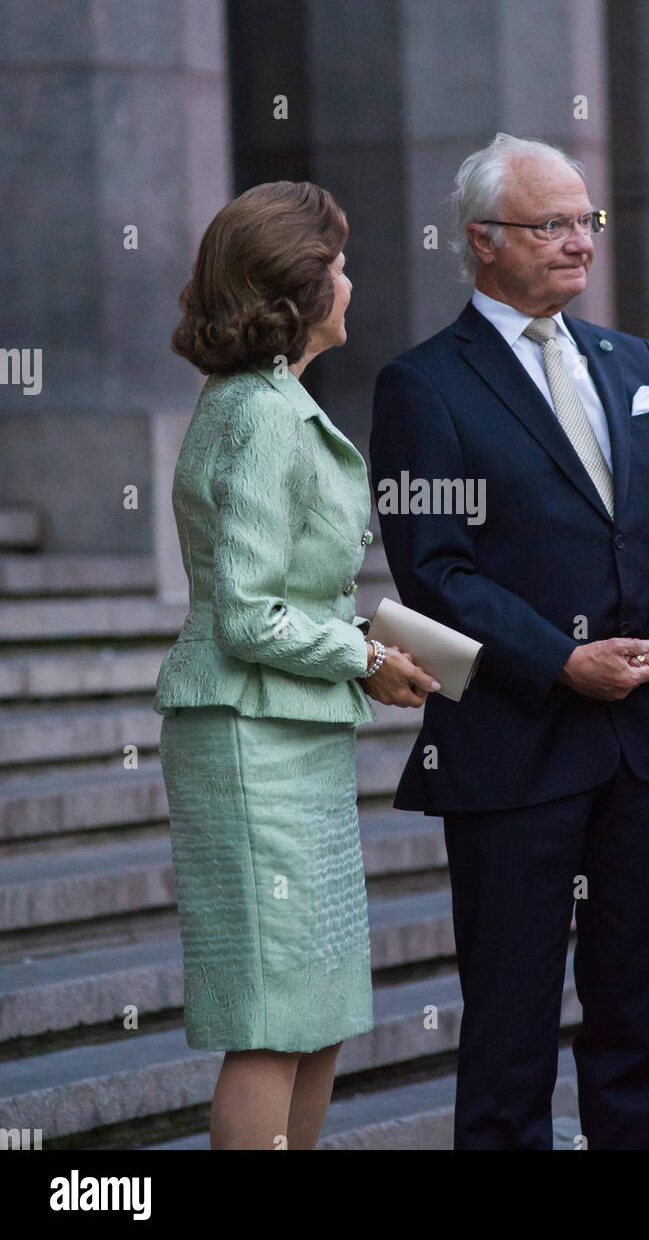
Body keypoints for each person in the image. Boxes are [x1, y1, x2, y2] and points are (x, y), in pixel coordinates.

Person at [369, 132, 649, 1150]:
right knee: (510, 1040)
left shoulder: (635, 362)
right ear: (483, 241)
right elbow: (432, 569)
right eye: (552, 224)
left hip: (643, 739)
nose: (579, 242)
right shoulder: (422, 384)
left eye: (586, 221)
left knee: (636, 1026)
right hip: (513, 749)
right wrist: (558, 659)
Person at [152, 180, 439, 1151]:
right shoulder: (262, 414)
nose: (353, 283)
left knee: (314, 1013)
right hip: (248, 739)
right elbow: (244, 612)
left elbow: (283, 595)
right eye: (340, 266)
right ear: (300, 288)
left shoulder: (269, 403)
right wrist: (361, 656)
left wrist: (365, 643)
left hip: (286, 734)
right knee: (272, 1020)